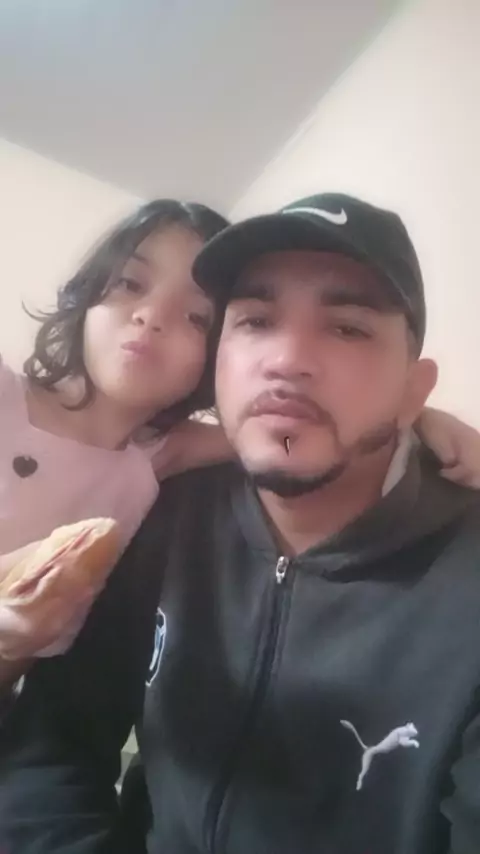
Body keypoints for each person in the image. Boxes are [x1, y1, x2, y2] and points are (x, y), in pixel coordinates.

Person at [1, 192, 480, 854]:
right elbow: (51, 752)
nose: (285, 359)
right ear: (218, 365)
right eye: (254, 321)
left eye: (348, 328)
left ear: (413, 391)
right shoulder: (165, 511)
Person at [0, 198, 231, 684]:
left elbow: (282, 439)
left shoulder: (156, 458)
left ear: (214, 362)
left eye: (197, 317)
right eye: (130, 283)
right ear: (88, 297)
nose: (152, 316)